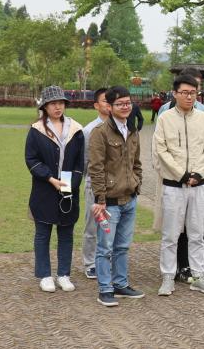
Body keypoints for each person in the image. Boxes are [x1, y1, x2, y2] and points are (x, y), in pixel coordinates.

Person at [155, 74, 204, 296]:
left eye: (193, 93)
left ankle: (198, 275)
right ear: (175, 94)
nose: (189, 97)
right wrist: (180, 174)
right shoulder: (165, 118)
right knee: (170, 234)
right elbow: (161, 150)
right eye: (185, 93)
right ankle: (168, 276)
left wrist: (198, 173)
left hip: (198, 186)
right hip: (173, 185)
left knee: (197, 233)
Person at [88, 85, 145, 306]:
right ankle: (105, 288)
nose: (125, 107)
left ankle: (120, 284)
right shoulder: (100, 132)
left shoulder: (132, 130)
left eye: (128, 103)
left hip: (130, 198)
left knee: (123, 246)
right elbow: (96, 168)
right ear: (110, 107)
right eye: (120, 104)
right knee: (105, 248)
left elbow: (136, 162)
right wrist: (100, 199)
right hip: (109, 202)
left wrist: (137, 183)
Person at [25, 86, 85, 293]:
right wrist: (50, 178)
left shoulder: (76, 129)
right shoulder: (36, 130)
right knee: (43, 232)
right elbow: (31, 159)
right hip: (44, 186)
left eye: (61, 103)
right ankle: (45, 275)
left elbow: (80, 162)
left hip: (68, 184)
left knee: (66, 231)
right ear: (45, 107)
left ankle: (64, 274)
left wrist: (71, 184)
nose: (58, 107)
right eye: (53, 104)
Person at [80, 88, 111, 279]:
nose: (110, 104)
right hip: (94, 183)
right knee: (92, 225)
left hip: (115, 185)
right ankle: (90, 262)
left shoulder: (121, 127)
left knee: (109, 226)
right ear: (96, 105)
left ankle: (106, 259)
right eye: (106, 100)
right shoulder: (89, 130)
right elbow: (85, 160)